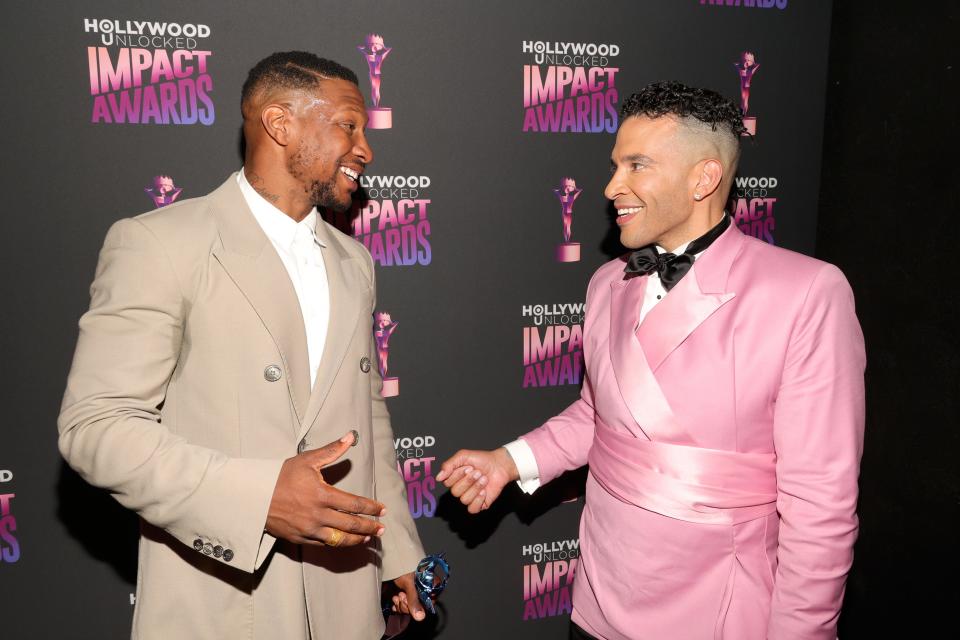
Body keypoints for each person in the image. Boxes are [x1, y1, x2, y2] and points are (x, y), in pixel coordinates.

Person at [439, 81, 865, 640]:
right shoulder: (606, 282)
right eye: (616, 165)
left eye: (637, 165)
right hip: (599, 596)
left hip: (720, 608)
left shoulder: (806, 292)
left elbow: (820, 506)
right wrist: (509, 461)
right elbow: (599, 417)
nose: (612, 186)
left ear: (704, 178)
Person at [58, 51, 426, 639]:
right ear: (281, 124)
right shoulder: (159, 244)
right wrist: (259, 497)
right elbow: (97, 426)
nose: (365, 150)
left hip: (343, 599)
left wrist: (398, 549)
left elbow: (368, 418)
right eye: (349, 125)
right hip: (223, 600)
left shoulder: (355, 262)